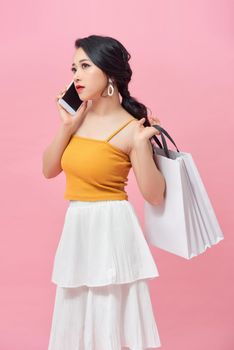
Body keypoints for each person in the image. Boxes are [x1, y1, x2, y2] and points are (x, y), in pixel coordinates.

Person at [43, 34, 166, 350]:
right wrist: (66, 127)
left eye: (85, 66)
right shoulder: (77, 118)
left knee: (108, 312)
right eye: (73, 68)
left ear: (110, 74)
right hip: (78, 226)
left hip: (111, 228)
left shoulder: (130, 129)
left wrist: (141, 146)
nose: (76, 76)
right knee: (77, 315)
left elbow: (154, 196)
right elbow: (49, 170)